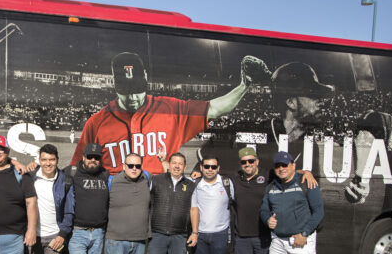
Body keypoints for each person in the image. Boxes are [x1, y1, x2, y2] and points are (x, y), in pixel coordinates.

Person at [71, 52, 271, 174]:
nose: (132, 96)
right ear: (114, 85)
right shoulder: (96, 122)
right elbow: (77, 168)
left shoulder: (171, 110)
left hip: (159, 200)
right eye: (125, 90)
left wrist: (245, 85)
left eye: (137, 88)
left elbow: (217, 108)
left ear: (146, 79)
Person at [142, 152, 196, 254]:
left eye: (180, 163)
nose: (177, 166)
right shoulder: (156, 180)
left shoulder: (191, 185)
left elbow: (194, 210)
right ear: (169, 164)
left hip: (179, 235)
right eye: (174, 163)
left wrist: (194, 231)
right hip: (157, 234)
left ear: (185, 167)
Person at [24, 144, 73, 254]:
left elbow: (69, 210)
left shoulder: (65, 180)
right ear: (39, 160)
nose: (48, 163)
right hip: (34, 235)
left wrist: (62, 234)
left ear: (57, 160)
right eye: (44, 159)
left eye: (51, 159)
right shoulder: (30, 177)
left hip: (54, 235)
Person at [64, 143, 110, 254]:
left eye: (96, 157)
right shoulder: (71, 172)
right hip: (78, 232)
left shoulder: (105, 174)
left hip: (98, 232)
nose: (93, 160)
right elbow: (48, 171)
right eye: (90, 156)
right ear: (83, 157)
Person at [104, 153, 151, 254]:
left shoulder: (147, 179)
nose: (134, 169)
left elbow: (170, 173)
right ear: (124, 166)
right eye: (130, 165)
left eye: (137, 166)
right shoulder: (112, 181)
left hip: (138, 238)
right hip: (115, 238)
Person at [189, 155, 234, 254]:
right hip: (200, 233)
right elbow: (193, 208)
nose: (210, 169)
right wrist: (195, 232)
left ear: (218, 168)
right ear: (201, 167)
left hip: (220, 233)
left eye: (213, 167)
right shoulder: (195, 184)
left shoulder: (227, 184)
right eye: (206, 166)